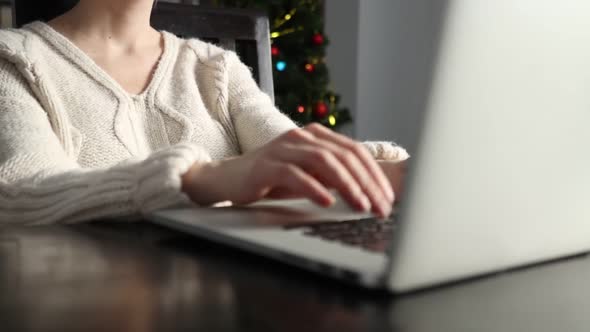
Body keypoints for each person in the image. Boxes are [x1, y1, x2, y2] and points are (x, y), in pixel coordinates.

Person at [0, 0, 409, 225]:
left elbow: (293, 152)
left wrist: (402, 175)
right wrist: (200, 179)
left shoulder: (215, 67)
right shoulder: (14, 59)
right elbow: (20, 194)